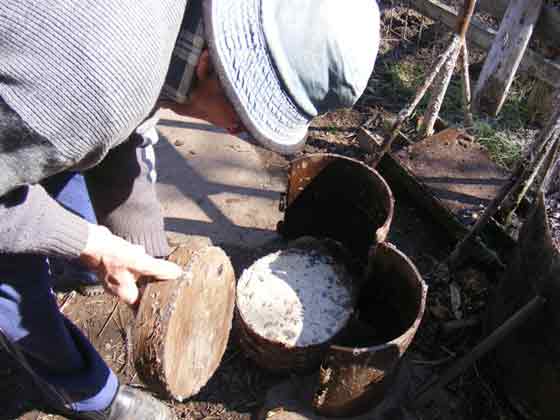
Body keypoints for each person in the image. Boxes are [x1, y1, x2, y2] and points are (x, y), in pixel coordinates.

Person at [0, 0, 380, 419]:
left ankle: (75, 268)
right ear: (206, 64)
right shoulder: (90, 88)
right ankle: (78, 387)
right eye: (242, 118)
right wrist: (85, 243)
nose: (235, 131)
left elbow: (126, 129)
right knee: (12, 274)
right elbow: (103, 109)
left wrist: (148, 257)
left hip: (54, 100)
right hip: (44, 89)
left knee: (67, 158)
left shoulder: (159, 32)